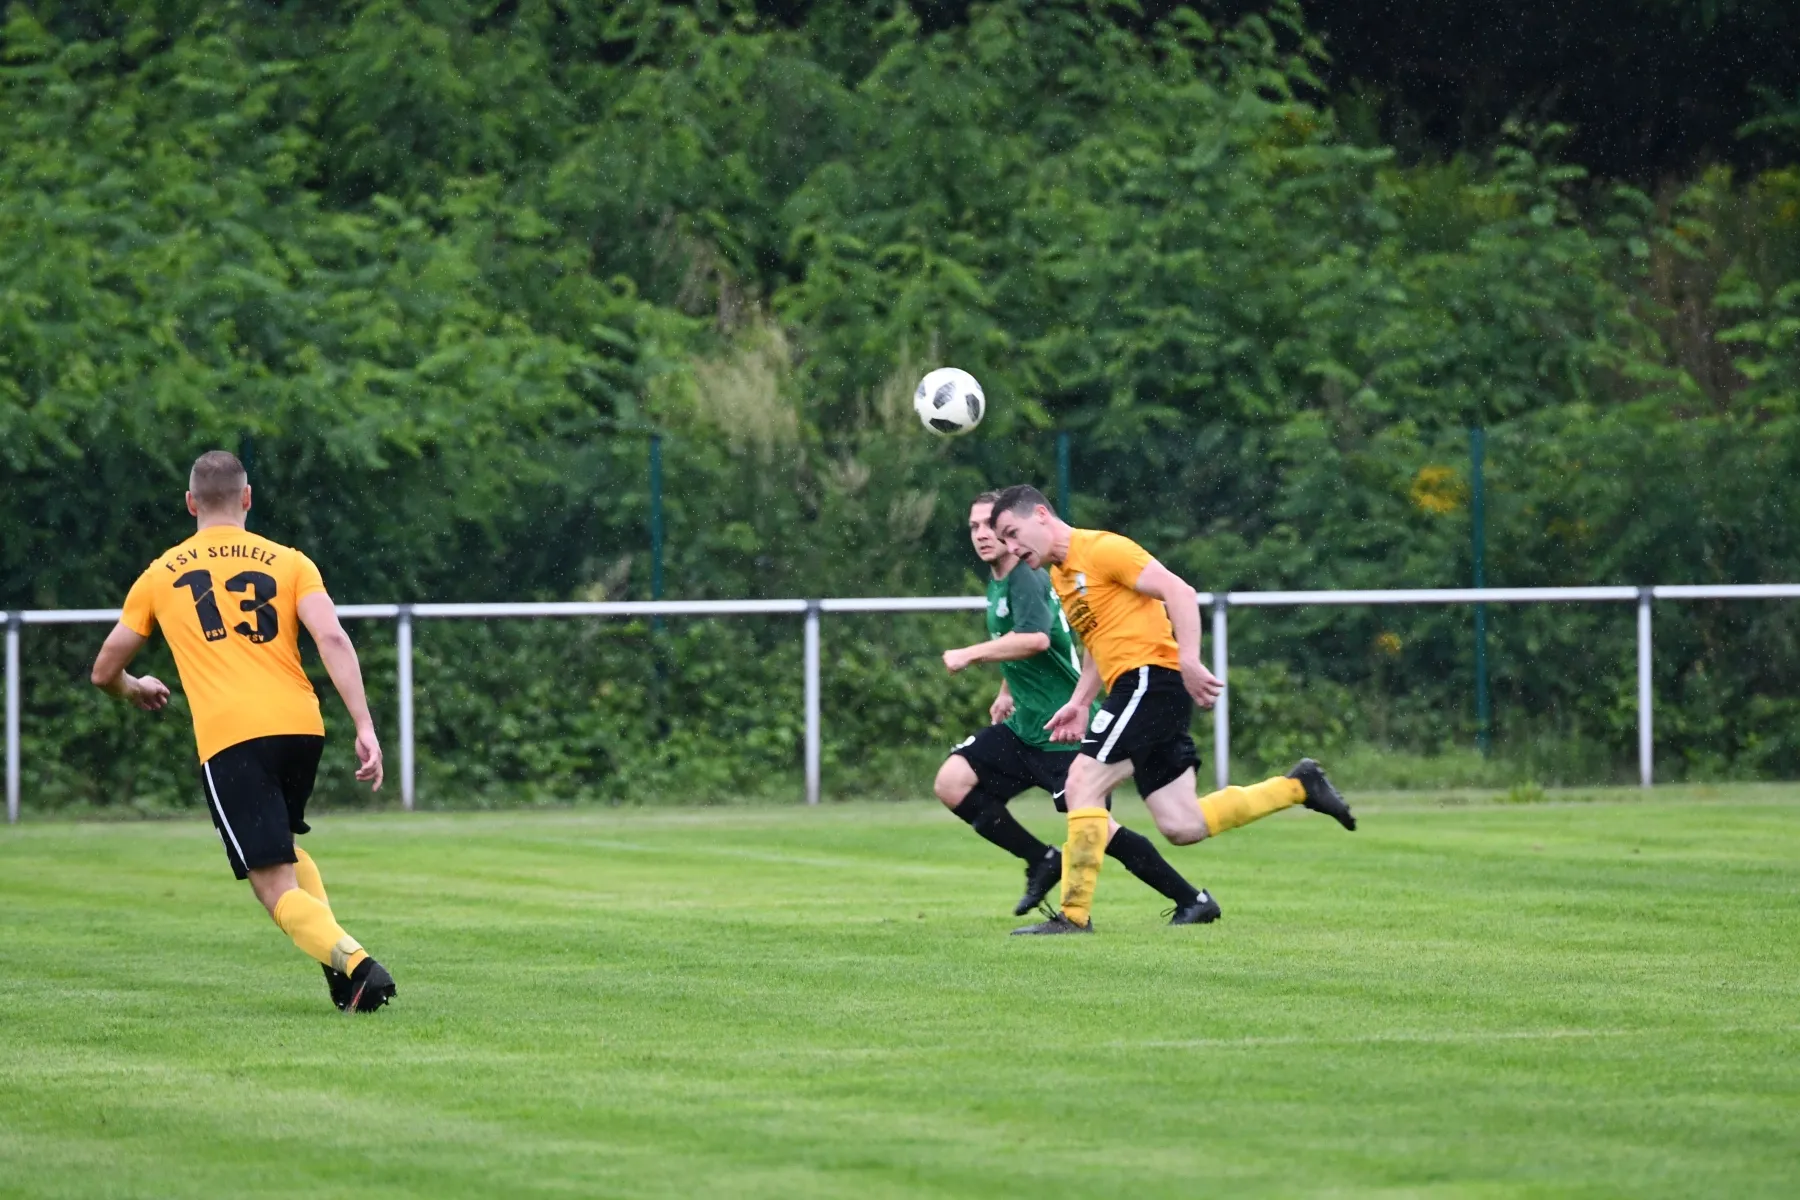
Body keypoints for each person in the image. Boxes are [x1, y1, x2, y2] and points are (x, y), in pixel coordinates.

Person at [89, 450, 397, 1011]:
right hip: (301, 726)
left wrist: (134, 688)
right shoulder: (290, 562)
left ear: (190, 503)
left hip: (233, 735)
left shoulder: (162, 573)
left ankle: (358, 967)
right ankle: (340, 974)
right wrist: (364, 724)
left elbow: (104, 670)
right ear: (247, 497)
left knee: (270, 881)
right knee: (284, 854)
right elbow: (331, 637)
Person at [987, 484, 1355, 935]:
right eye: (1003, 540)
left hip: (1148, 680)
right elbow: (1097, 644)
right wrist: (1080, 702)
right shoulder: (1062, 577)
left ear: (1041, 515)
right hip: (1142, 688)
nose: (1010, 547)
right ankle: (1298, 787)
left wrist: (1190, 660)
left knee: (1080, 782)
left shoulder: (1102, 549)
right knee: (1182, 824)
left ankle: (1074, 916)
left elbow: (1179, 591)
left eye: (1012, 533)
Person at [936, 492, 1218, 925]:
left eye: (995, 528)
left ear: (1033, 520)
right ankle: (1042, 860)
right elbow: (1063, 641)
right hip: (1028, 723)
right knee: (953, 781)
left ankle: (1181, 899)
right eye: (974, 527)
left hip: (1058, 730)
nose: (985, 536)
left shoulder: (1032, 575)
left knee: (1100, 824)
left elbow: (1037, 639)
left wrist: (970, 654)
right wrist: (1007, 688)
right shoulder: (1021, 578)